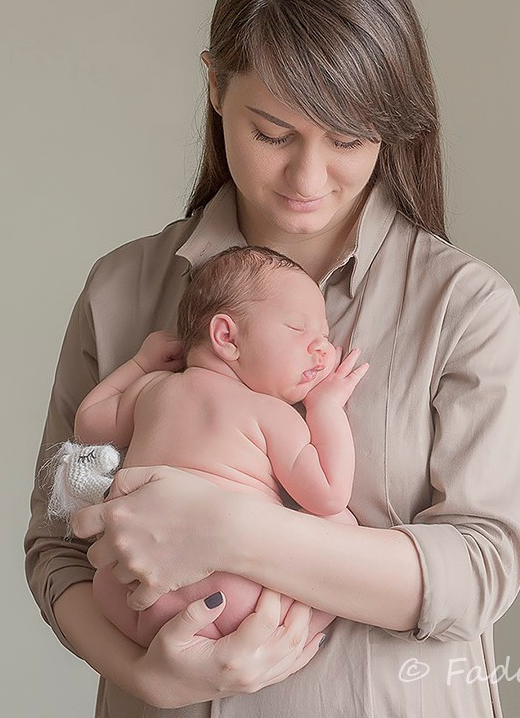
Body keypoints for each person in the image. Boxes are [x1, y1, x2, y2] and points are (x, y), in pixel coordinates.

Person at [23, 0, 520, 717]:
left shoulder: (464, 307)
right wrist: (147, 679)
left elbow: (482, 567)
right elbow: (56, 546)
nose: (308, 177)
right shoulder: (123, 290)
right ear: (215, 88)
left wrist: (233, 531)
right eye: (273, 133)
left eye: (348, 139)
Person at [72, 246, 366, 648]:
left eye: (325, 338)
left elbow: (88, 425)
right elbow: (329, 495)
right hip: (237, 593)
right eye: (299, 330)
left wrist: (140, 364)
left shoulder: (151, 388)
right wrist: (325, 406)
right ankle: (295, 641)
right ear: (226, 336)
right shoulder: (270, 413)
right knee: (343, 527)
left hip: (128, 589)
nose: (321, 348)